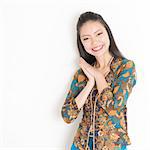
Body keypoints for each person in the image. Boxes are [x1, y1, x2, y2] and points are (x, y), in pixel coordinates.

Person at [61, 11, 137, 150]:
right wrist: (90, 83)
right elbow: (67, 115)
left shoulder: (125, 67)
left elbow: (114, 108)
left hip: (111, 145)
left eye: (98, 34)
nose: (94, 42)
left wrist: (98, 76)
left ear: (107, 32)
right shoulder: (82, 74)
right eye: (86, 38)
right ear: (81, 42)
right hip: (81, 145)